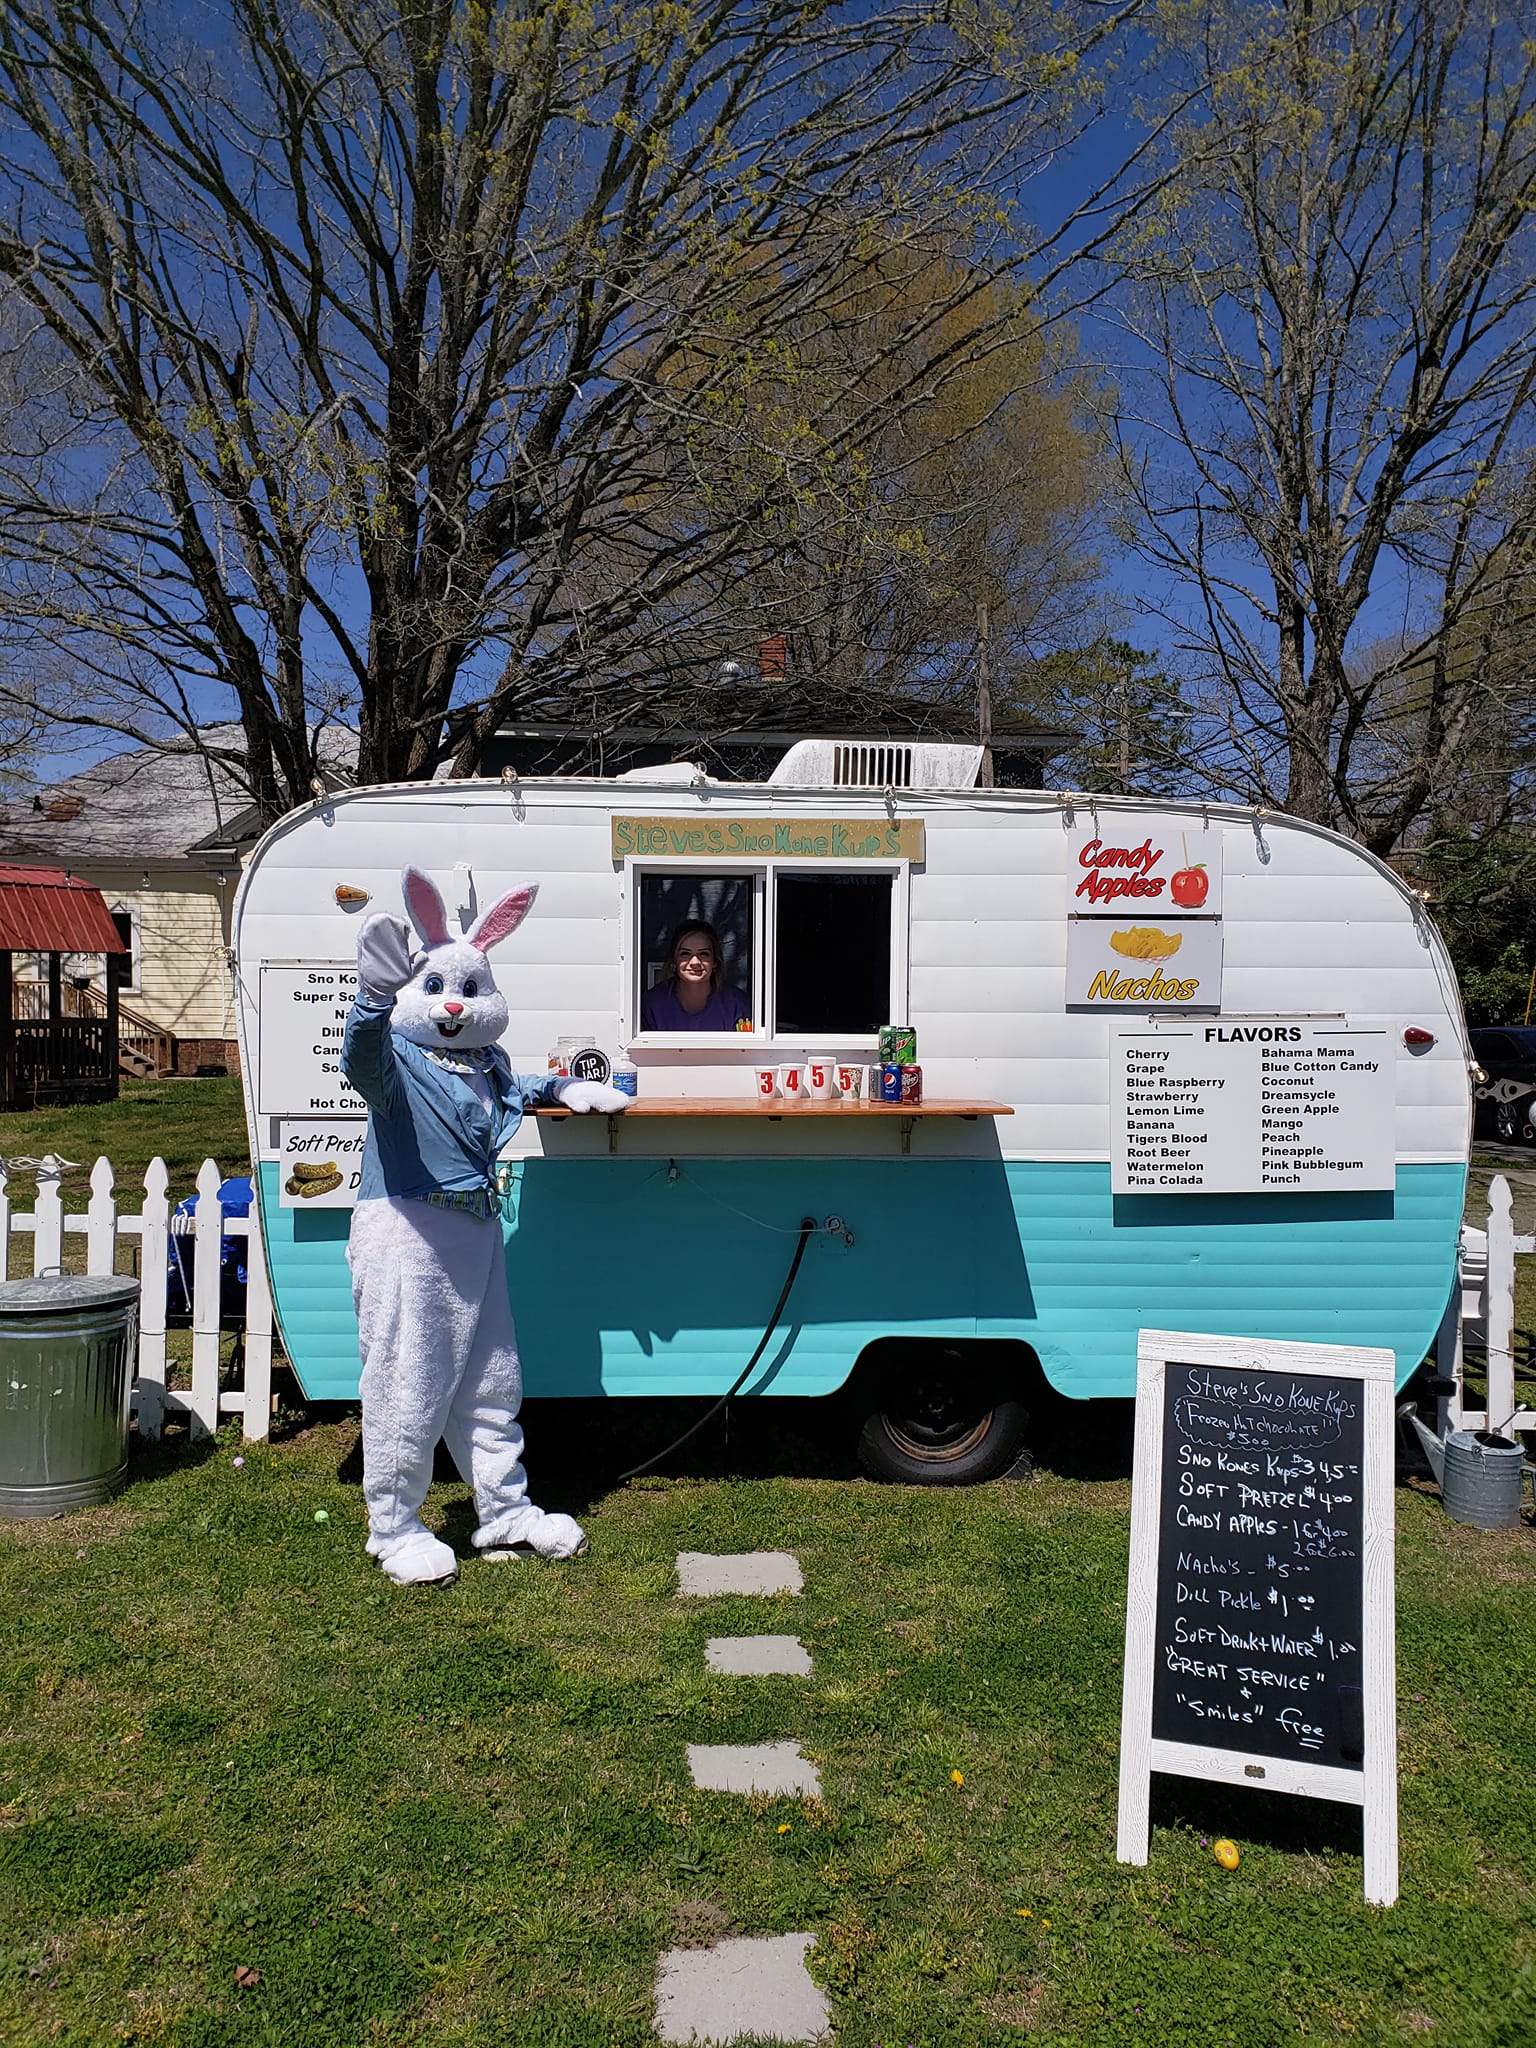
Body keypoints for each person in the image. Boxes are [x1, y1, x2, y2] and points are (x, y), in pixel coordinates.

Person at [641, 918, 752, 1031]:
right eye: (685, 953)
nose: (695, 962)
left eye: (704, 954)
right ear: (674, 961)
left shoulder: (737, 1004)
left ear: (715, 961)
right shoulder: (652, 1004)